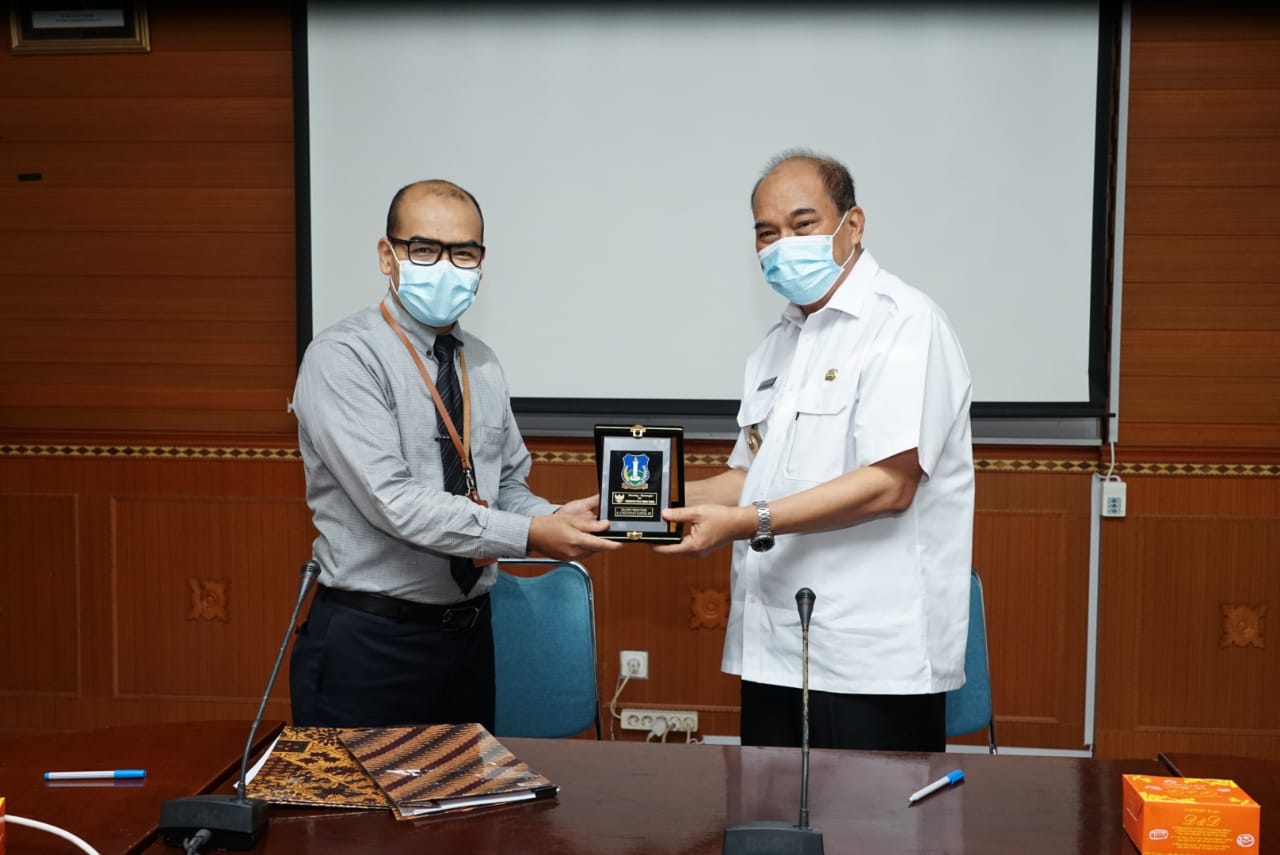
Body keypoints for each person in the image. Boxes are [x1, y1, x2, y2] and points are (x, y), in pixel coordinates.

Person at [657, 151, 974, 752]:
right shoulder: (777, 346)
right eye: (766, 233)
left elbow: (890, 484)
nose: (782, 245)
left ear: (852, 225)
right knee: (769, 832)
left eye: (802, 225)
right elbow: (746, 477)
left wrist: (748, 522)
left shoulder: (904, 324)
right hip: (775, 650)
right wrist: (640, 502)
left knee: (874, 838)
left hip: (871, 660)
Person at [289, 179, 620, 729]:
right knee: (358, 818)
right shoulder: (342, 358)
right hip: (370, 644)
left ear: (481, 263)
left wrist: (560, 519)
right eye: (424, 249)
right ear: (387, 256)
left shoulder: (481, 363)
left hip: (468, 638)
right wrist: (532, 536)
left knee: (466, 810)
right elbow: (393, 503)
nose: (445, 266)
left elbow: (507, 485)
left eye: (463, 253)